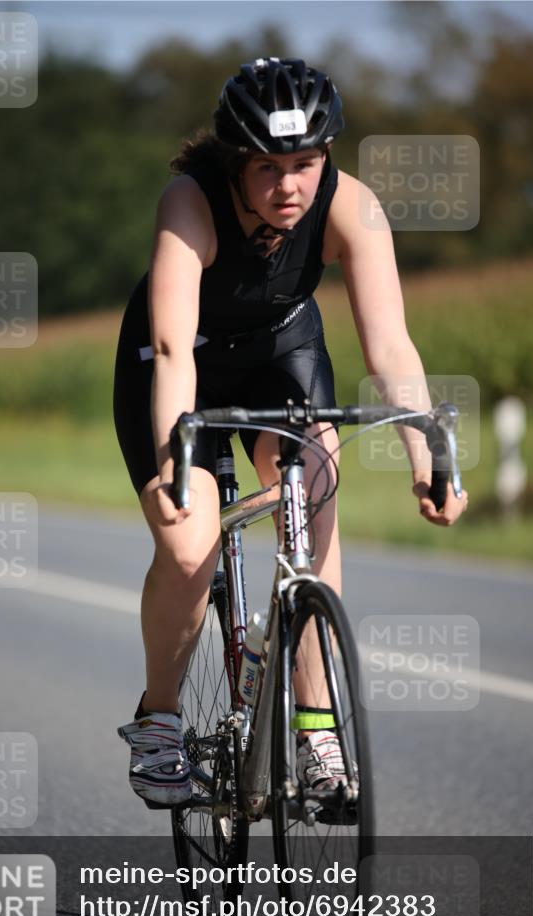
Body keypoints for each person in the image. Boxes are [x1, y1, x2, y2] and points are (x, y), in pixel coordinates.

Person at [113, 57, 468, 809]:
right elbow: (174, 349)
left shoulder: (352, 205)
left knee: (313, 486)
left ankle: (315, 732)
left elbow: (390, 347)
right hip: (185, 364)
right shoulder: (190, 202)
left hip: (282, 350)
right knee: (186, 541)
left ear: (327, 157)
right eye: (267, 166)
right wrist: (178, 462)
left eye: (305, 164)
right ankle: (160, 719)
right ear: (235, 160)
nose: (288, 187)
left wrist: (423, 455)